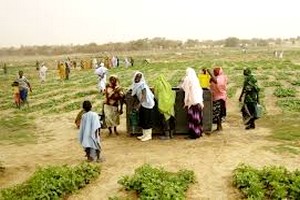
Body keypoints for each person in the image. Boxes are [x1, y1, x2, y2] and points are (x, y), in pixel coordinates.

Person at [180, 67, 204, 139]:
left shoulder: (188, 79)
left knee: (192, 120)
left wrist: (185, 102)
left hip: (192, 102)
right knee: (198, 119)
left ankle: (193, 135)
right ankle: (199, 133)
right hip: (199, 102)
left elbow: (186, 90)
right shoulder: (195, 79)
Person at [131, 71, 155, 142]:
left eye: (139, 77)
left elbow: (144, 96)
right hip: (143, 104)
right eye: (137, 76)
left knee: (147, 119)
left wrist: (139, 105)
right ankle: (144, 134)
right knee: (143, 119)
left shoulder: (142, 85)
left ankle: (148, 135)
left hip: (147, 104)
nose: (137, 78)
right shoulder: (136, 85)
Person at [153, 74, 176, 140]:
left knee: (165, 120)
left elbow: (156, 94)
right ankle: (171, 134)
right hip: (170, 104)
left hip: (163, 104)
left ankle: (167, 135)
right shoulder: (168, 84)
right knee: (171, 118)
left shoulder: (158, 84)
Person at [207, 67, 228, 132]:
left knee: (218, 113)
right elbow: (210, 81)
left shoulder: (221, 78)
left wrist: (209, 72)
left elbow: (216, 82)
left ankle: (219, 127)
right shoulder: (216, 77)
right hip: (215, 97)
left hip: (220, 97)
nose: (214, 72)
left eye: (215, 72)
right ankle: (219, 127)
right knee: (217, 113)